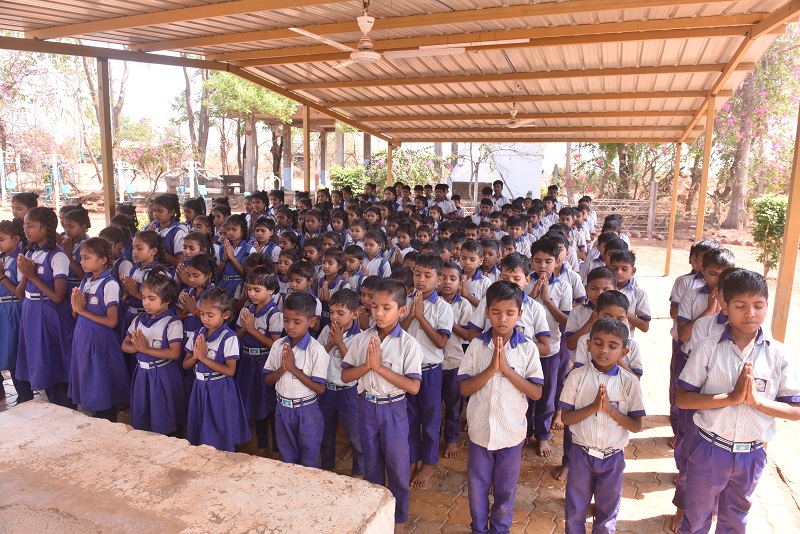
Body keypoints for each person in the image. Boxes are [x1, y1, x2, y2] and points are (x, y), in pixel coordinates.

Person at [676, 269, 800, 534]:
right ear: (725, 307)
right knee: (696, 518)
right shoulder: (708, 347)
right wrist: (731, 398)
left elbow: (795, 410)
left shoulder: (779, 354)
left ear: (767, 307)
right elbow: (683, 399)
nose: (750, 313)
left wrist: (757, 402)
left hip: (751, 454)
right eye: (740, 306)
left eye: (758, 306)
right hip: (710, 449)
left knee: (735, 520)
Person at [459, 280, 545, 533]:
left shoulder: (528, 349)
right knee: (477, 487)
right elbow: (464, 389)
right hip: (480, 433)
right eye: (496, 312)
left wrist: (506, 370)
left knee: (505, 490)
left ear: (520, 314)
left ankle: (500, 529)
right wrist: (491, 369)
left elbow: (536, 392)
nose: (502, 319)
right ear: (487, 312)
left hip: (511, 435)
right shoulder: (477, 346)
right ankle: (479, 528)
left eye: (509, 313)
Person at [341, 279, 422, 531]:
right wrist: (367, 365)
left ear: (402, 310)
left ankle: (399, 519)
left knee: (397, 467)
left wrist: (378, 368)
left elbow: (414, 387)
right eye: (375, 306)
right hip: (366, 406)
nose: (379, 313)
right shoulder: (362, 339)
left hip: (393, 409)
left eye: (387, 308)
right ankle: (378, 517)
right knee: (372, 464)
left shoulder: (408, 344)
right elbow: (346, 375)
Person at [561, 318, 645, 534]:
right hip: (581, 454)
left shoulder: (630, 382)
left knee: (607, 513)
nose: (604, 350)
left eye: (612, 346)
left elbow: (636, 426)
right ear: (588, 345)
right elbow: (566, 418)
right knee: (575, 510)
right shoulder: (576, 377)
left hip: (613, 457)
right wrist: (593, 407)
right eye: (598, 343)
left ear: (624, 352)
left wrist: (609, 409)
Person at [400, 253, 454, 487]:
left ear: (438, 279)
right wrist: (411, 314)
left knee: (431, 418)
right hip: (408, 370)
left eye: (428, 275)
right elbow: (397, 333)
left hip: (431, 371)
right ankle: (413, 458)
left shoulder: (443, 308)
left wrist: (420, 318)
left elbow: (441, 342)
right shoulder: (405, 301)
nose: (421, 279)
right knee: (409, 417)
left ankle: (429, 462)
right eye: (417, 274)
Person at [15, 207, 75, 406]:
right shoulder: (31, 252)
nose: (26, 230)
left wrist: (32, 275)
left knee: (55, 362)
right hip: (31, 310)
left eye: (30, 226)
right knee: (39, 361)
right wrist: (26, 274)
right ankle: (53, 404)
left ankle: (65, 407)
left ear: (45, 228)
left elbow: (58, 297)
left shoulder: (57, 256)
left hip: (50, 314)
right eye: (25, 225)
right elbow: (19, 292)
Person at [263, 292, 330, 467]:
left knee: (308, 459)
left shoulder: (316, 350)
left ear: (312, 322)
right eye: (286, 320)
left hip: (306, 411)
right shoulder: (278, 345)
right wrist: (283, 368)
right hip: (282, 408)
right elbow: (267, 380)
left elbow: (320, 388)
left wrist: (292, 369)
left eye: (297, 322)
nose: (290, 326)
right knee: (288, 458)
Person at [68, 237, 130, 421]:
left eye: (87, 257)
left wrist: (82, 310)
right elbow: (77, 314)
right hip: (83, 337)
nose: (82, 261)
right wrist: (76, 308)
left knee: (102, 386)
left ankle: (108, 424)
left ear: (103, 259)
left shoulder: (109, 284)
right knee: (89, 383)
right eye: (81, 257)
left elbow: (111, 321)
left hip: (100, 341)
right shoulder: (85, 281)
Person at [183, 287, 251, 452]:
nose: (204, 319)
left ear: (225, 315)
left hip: (219, 389)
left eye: (210, 315)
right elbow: (186, 364)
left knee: (220, 426)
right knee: (201, 424)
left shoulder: (229, 337)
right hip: (199, 387)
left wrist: (203, 358)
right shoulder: (197, 333)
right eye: (202, 313)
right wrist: (196, 357)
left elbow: (230, 371)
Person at [122, 266, 187, 436]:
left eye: (152, 298)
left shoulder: (173, 322)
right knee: (144, 413)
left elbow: (174, 353)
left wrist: (145, 349)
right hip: (142, 374)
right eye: (144, 297)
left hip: (163, 374)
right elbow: (125, 345)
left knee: (165, 415)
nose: (145, 303)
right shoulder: (138, 320)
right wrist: (138, 348)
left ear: (167, 300)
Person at [528, 238, 573, 457]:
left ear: (557, 262)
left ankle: (542, 436)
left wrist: (546, 300)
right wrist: (532, 296)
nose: (543, 266)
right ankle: (524, 432)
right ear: (531, 261)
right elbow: (514, 309)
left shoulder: (563, 287)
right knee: (525, 393)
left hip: (551, 349)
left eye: (548, 261)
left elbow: (566, 322)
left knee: (546, 395)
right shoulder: (525, 282)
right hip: (525, 350)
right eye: (538, 261)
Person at [317, 289, 364, 476]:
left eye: (340, 313)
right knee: (326, 432)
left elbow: (354, 366)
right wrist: (331, 342)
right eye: (331, 312)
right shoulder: (326, 330)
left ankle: (359, 471)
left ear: (355, 314)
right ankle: (327, 466)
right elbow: (318, 357)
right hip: (327, 389)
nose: (334, 317)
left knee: (355, 434)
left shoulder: (360, 337)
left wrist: (339, 342)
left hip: (349, 392)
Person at [439, 261, 474, 459]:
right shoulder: (431, 302)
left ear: (460, 282)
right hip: (434, 363)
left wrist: (449, 321)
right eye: (443, 278)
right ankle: (434, 437)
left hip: (454, 362)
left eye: (452, 278)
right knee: (434, 405)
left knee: (453, 405)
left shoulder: (463, 305)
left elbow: (467, 335)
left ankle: (451, 439)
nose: (447, 282)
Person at [0, 219, 25, 398]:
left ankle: (24, 394)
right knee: (7, 353)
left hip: (13, 309)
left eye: (2, 239)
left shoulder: (19, 260)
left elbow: (19, 292)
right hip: (3, 309)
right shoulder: (3, 258)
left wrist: (1, 276)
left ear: (15, 239)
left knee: (14, 353)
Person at [609, 250, 651, 336]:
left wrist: (622, 311)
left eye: (624, 269)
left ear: (633, 271)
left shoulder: (639, 294)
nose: (619, 272)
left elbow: (645, 327)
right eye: (615, 268)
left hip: (626, 340)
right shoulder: (603, 290)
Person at [218, 214, 256, 300]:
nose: (230, 232)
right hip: (223, 285)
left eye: (234, 229)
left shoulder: (250, 249)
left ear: (242, 230)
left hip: (239, 285)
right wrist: (224, 259)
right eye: (228, 229)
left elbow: (247, 275)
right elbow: (217, 273)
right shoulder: (222, 248)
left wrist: (232, 258)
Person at [151, 194, 188, 268]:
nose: (156, 214)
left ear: (171, 212)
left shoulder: (177, 232)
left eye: (160, 211)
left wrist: (158, 251)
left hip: (170, 272)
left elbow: (180, 262)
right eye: (154, 211)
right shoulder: (153, 229)